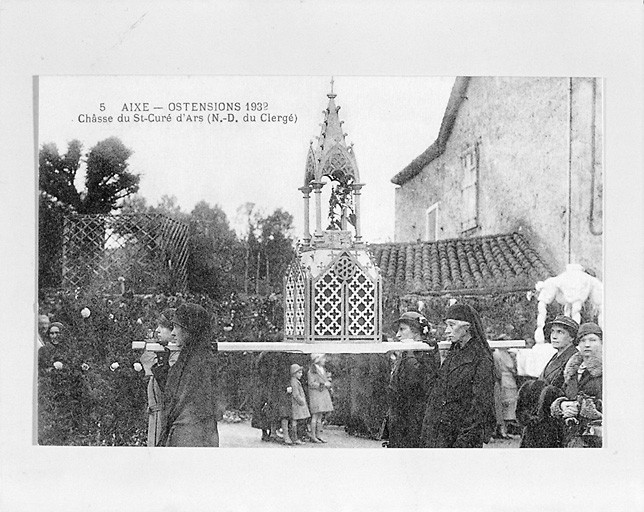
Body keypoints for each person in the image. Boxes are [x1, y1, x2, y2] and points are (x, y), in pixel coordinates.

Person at [421, 303, 496, 448]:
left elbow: (481, 404)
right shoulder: (453, 353)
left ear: (467, 327)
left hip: (462, 437)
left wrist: (464, 440)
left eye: (452, 325)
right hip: (441, 434)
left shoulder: (481, 358)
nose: (447, 331)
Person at [156, 303, 219, 447]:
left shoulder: (200, 362)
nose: (172, 333)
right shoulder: (189, 357)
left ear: (190, 330)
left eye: (177, 327)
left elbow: (189, 406)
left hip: (190, 437)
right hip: (185, 433)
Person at [516, 315, 579, 448]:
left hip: (556, 423)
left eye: (560, 332)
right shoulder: (555, 356)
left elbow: (571, 394)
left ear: (572, 337)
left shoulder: (574, 359)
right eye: (552, 332)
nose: (554, 336)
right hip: (542, 420)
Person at [383, 311, 439, 448]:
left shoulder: (419, 356)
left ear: (415, 332)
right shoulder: (407, 354)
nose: (397, 335)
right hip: (401, 420)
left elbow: (413, 387)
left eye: (402, 329)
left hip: (413, 422)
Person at [550, 322, 603, 448]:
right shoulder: (571, 369)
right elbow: (559, 392)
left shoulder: (606, 369)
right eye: (583, 340)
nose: (587, 344)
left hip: (595, 437)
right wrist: (562, 405)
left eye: (592, 340)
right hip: (569, 433)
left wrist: (582, 407)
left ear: (601, 342)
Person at [140, 308, 179, 447]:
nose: (157, 330)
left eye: (162, 327)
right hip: (155, 413)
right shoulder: (166, 351)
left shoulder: (175, 355)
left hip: (162, 415)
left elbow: (169, 386)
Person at [493, 348, 519, 438]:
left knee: (502, 406)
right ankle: (503, 430)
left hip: (501, 380)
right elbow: (511, 366)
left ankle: (501, 429)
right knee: (507, 405)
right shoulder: (503, 354)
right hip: (507, 380)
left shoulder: (495, 354)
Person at [307, 353, 333, 443]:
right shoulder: (312, 371)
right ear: (317, 359)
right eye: (323, 358)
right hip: (316, 394)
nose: (324, 360)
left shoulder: (322, 370)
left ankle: (318, 435)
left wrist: (328, 383)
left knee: (320, 416)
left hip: (322, 394)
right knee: (315, 416)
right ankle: (313, 436)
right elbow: (311, 383)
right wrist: (324, 384)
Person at [289, 363, 310, 445]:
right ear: (294, 373)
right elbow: (296, 394)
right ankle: (295, 438)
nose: (301, 374)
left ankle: (296, 437)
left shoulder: (296, 381)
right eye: (299, 373)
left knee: (296, 421)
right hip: (297, 404)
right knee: (295, 420)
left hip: (298, 404)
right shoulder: (294, 382)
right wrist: (301, 401)